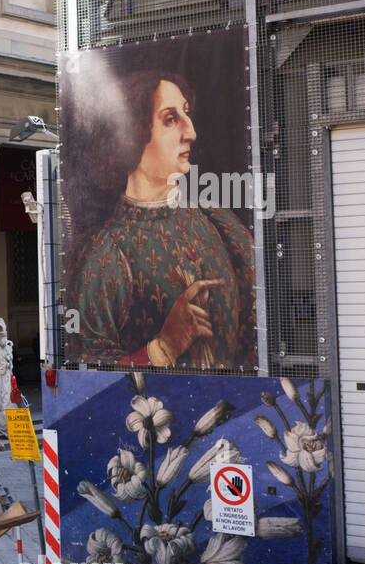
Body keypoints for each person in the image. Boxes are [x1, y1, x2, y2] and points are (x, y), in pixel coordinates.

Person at [63, 70, 257, 369]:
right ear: (131, 134)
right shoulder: (103, 251)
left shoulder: (218, 221)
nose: (190, 132)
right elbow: (89, 374)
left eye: (186, 114)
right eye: (170, 119)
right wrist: (163, 347)